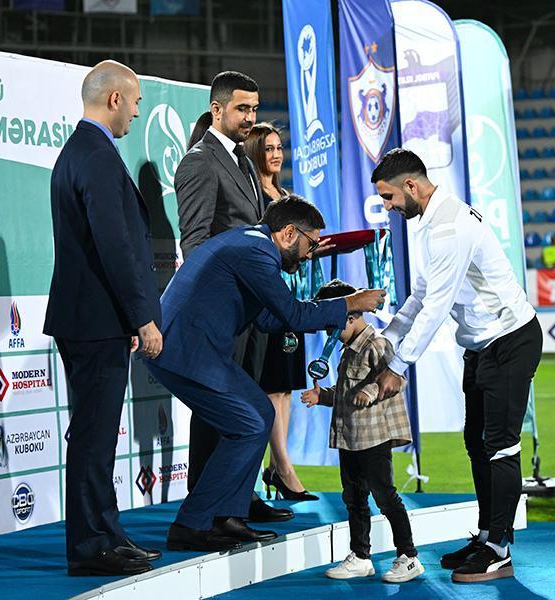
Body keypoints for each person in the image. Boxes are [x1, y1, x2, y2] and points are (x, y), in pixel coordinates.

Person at [146, 196, 386, 551]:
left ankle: (227, 515)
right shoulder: (257, 253)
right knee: (251, 422)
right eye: (311, 244)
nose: (310, 255)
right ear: (289, 233)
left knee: (258, 413)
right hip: (186, 350)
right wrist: (350, 303)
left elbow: (269, 318)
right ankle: (192, 524)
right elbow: (293, 315)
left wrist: (321, 313)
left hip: (193, 347)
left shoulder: (251, 245)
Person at [370, 149, 542, 583]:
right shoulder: (431, 223)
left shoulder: (449, 226)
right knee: (475, 441)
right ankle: (486, 535)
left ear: (411, 186)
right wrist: (387, 339)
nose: (387, 207)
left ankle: (499, 550)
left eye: (389, 197)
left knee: (500, 445)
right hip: (481, 346)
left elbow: (436, 307)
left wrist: (398, 366)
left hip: (510, 340)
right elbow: (420, 295)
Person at [43, 60, 163, 577]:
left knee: (96, 434)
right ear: (114, 98)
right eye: (134, 102)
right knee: (94, 436)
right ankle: (92, 546)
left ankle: (106, 534)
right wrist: (142, 318)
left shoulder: (86, 150)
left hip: (93, 318)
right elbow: (114, 247)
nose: (136, 112)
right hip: (94, 321)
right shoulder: (93, 154)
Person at [174, 71, 290, 523]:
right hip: (224, 310)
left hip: (251, 307)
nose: (250, 117)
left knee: (248, 404)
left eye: (254, 109)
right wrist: (220, 300)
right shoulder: (200, 162)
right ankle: (208, 508)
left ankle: (240, 498)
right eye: (242, 108)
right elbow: (195, 242)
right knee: (217, 409)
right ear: (217, 109)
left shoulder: (243, 160)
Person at [302, 279, 423, 584]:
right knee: (353, 497)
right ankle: (360, 556)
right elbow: (346, 393)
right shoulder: (347, 350)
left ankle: (408, 557)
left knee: (385, 497)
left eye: (332, 325)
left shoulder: (377, 345)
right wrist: (322, 396)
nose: (329, 333)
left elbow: (397, 380)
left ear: (352, 315)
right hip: (350, 438)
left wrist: (371, 390)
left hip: (373, 438)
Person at [243, 123, 316, 502]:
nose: (275, 154)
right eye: (268, 148)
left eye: (278, 147)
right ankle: (283, 468)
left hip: (294, 297)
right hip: (269, 299)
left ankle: (277, 463)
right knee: (271, 384)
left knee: (285, 385)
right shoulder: (252, 197)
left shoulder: (287, 197)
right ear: (255, 152)